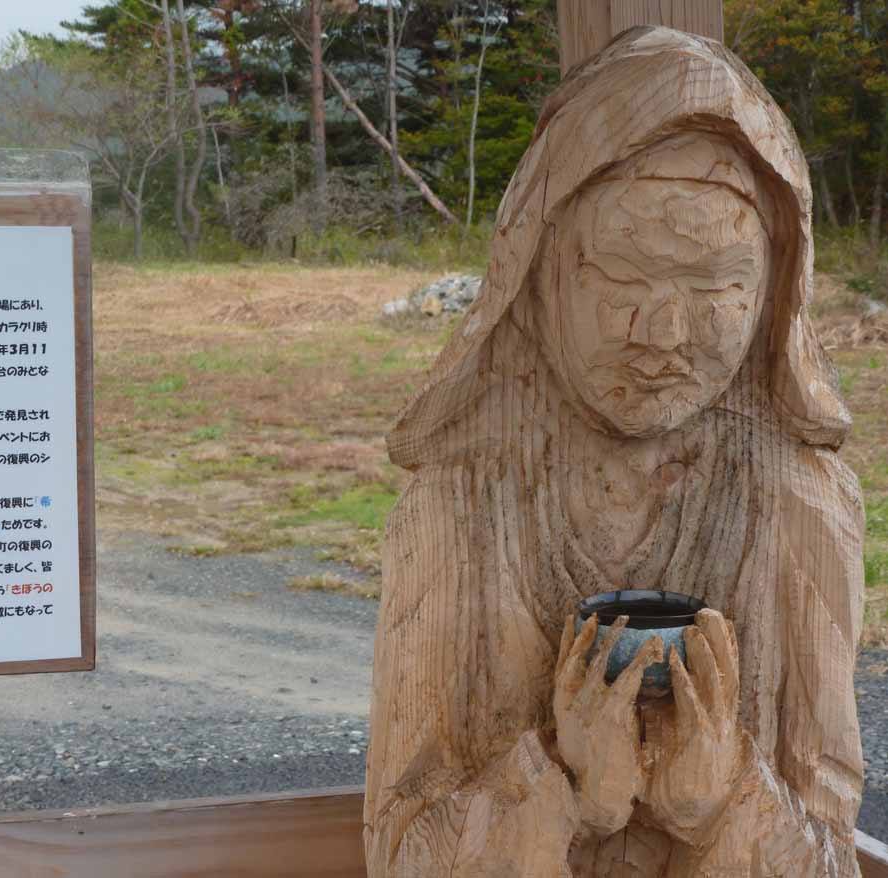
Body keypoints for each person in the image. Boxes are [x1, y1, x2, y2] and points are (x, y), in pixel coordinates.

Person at [364, 26, 864, 877]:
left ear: (773, 291)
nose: (664, 334)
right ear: (540, 269)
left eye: (715, 285)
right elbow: (399, 852)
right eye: (623, 276)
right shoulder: (455, 513)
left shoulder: (801, 511)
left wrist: (721, 800)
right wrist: (565, 790)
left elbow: (832, 855)